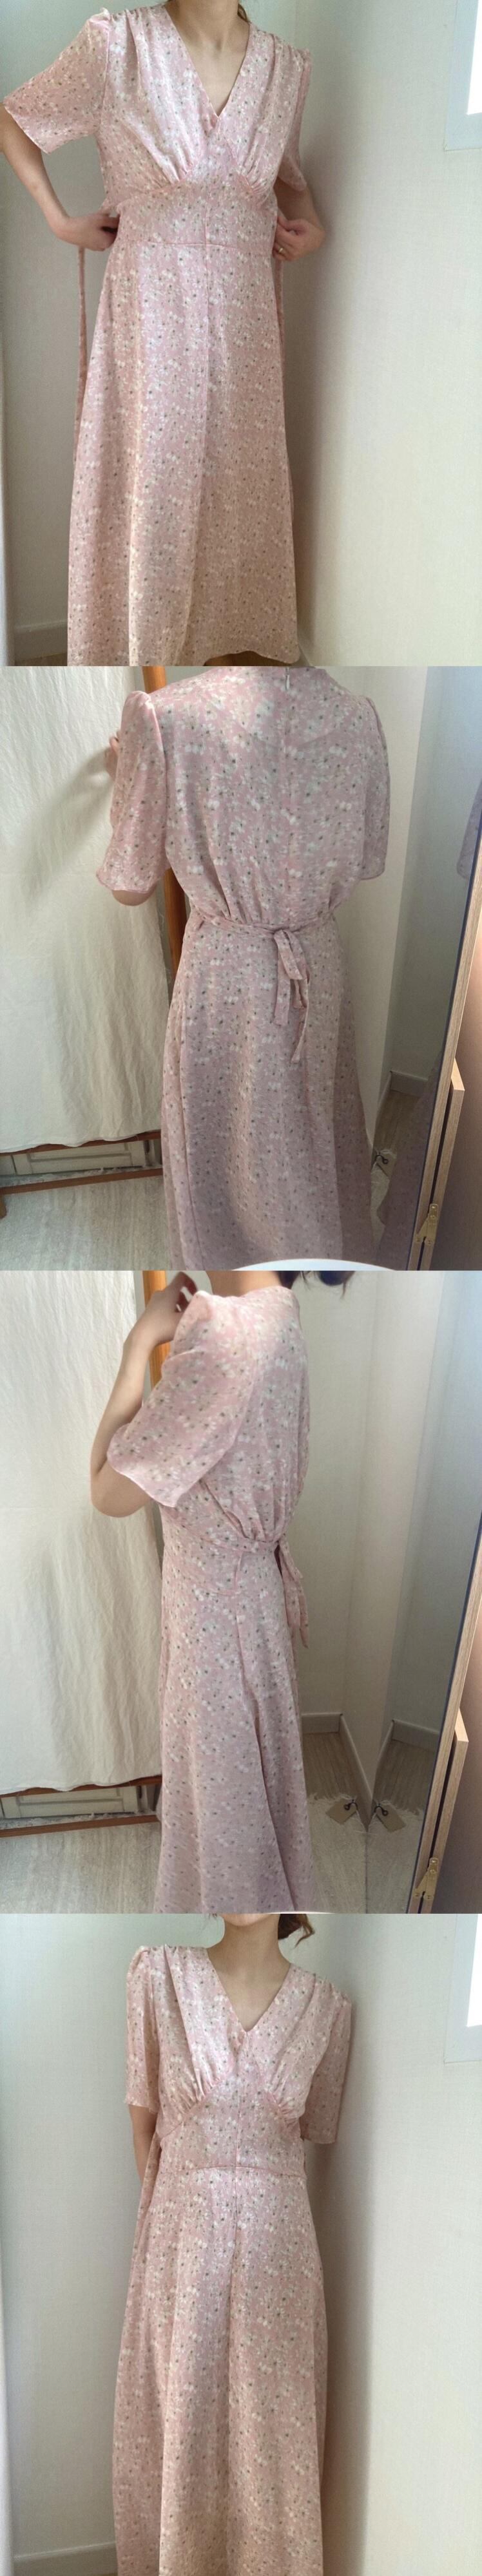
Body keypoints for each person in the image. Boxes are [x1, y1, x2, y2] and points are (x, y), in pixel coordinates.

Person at [1, 3, 323, 665]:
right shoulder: (119, 45)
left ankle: (226, 645)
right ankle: (141, 647)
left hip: (244, 318)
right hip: (152, 306)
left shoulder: (285, 70)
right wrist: (59, 220)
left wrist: (312, 227)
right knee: (153, 479)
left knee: (238, 479)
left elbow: (290, 181)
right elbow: (15, 120)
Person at [98, 667, 390, 1259]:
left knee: (227, 1143)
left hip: (227, 972)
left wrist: (128, 780)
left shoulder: (165, 718)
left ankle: (242, 1267)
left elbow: (131, 886)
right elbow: (368, 859)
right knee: (313, 1127)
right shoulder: (359, 717)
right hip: (318, 962)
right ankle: (321, 1258)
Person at [114, 1913, 351, 2576]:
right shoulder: (159, 1976)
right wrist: (186, 2218)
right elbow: (143, 2127)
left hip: (281, 2252)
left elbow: (314, 2132)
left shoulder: (327, 2010)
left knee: (270, 2435)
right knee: (183, 2420)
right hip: (181, 2241)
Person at [90, 1266, 318, 1909]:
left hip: (216, 1624)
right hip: (252, 1602)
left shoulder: (223, 1336)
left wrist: (139, 1343)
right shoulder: (281, 1312)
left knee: (224, 1812)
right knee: (249, 1790)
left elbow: (106, 1491)